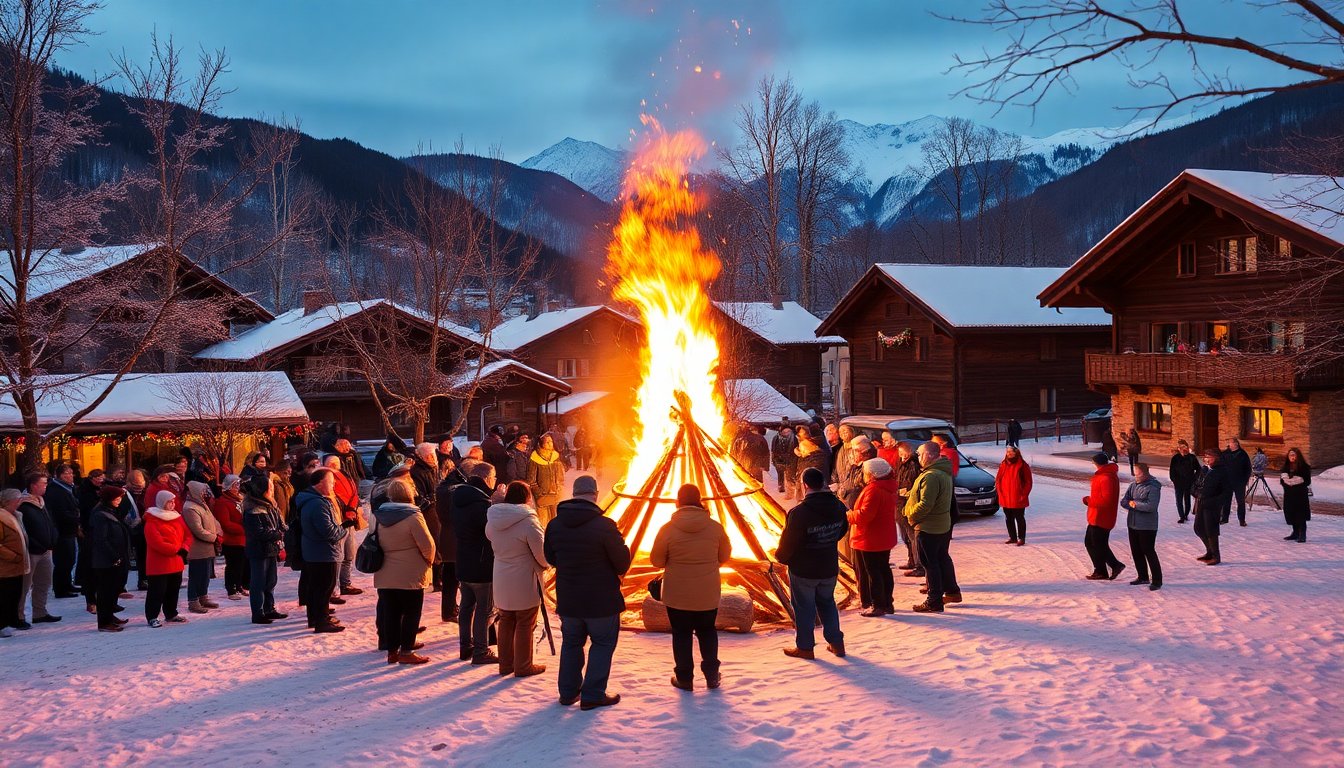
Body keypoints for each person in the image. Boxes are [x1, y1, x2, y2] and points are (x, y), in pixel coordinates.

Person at [545, 475, 630, 710]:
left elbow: (551, 557)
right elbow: (622, 563)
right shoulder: (605, 526)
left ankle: (568, 692)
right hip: (601, 601)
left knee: (572, 643)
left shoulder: (555, 524)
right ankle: (592, 694)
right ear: (594, 495)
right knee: (602, 643)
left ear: (574, 494)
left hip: (569, 599)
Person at [650, 483, 731, 691]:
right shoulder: (715, 527)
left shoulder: (667, 529)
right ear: (699, 501)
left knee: (681, 634)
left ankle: (685, 679)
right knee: (707, 631)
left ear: (678, 502)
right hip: (707, 593)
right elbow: (724, 556)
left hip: (677, 594)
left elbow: (657, 560)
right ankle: (712, 676)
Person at [777, 467, 849, 660]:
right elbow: (843, 529)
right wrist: (827, 541)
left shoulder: (799, 513)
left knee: (804, 607)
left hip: (804, 569)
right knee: (827, 603)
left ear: (805, 485)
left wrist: (782, 557)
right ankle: (836, 643)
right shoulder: (838, 506)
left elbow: (789, 542)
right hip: (828, 566)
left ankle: (805, 647)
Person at [485, 481, 549, 678]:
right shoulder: (528, 520)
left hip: (501, 575)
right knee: (525, 621)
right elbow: (541, 553)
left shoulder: (493, 519)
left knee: (506, 619)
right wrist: (546, 565)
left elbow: (490, 538)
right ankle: (523, 665)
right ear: (527, 497)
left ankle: (506, 664)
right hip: (524, 577)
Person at [374, 480, 436, 664]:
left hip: (384, 570)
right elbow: (427, 545)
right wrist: (429, 562)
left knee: (391, 612)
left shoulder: (377, 515)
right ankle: (406, 650)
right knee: (411, 612)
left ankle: (392, 650)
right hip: (410, 571)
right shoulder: (413, 515)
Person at [451, 462, 498, 665]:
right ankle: (480, 650)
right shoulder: (482, 504)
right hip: (481, 563)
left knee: (466, 606)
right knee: (484, 608)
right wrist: (498, 504)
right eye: (494, 477)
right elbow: (491, 532)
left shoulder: (459, 498)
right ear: (487, 478)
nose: (495, 482)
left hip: (463, 560)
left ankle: (465, 646)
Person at [904, 442, 959, 612]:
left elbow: (926, 504)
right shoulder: (942, 472)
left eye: (920, 454)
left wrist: (911, 516)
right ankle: (952, 591)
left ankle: (934, 601)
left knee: (930, 563)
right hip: (940, 525)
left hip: (929, 526)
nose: (918, 457)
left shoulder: (931, 476)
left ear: (929, 455)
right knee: (941, 558)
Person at [296, 468, 349, 633]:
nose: (333, 485)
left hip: (317, 552)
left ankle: (317, 617)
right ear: (319, 483)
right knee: (324, 588)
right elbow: (329, 532)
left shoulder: (314, 500)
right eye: (330, 482)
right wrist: (344, 530)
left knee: (317, 588)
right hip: (323, 553)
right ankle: (321, 620)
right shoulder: (317, 503)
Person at [847, 458, 898, 617]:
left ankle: (878, 605)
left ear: (872, 474)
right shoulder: (889, 486)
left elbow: (865, 515)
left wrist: (849, 515)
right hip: (883, 535)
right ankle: (887, 602)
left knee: (873, 572)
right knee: (883, 569)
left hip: (869, 538)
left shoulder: (874, 490)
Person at [240, 474, 287, 625]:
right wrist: (277, 534)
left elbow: (279, 524)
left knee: (271, 581)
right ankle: (258, 613)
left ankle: (269, 608)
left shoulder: (270, 504)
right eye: (270, 487)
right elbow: (258, 532)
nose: (272, 490)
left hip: (271, 548)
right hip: (259, 550)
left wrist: (282, 530)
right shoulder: (253, 509)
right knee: (258, 582)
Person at [143, 490, 191, 627]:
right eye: (169, 501)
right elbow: (156, 542)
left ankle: (171, 613)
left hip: (176, 561)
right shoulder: (152, 519)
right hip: (159, 563)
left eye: (173, 501)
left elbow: (188, 535)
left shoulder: (177, 517)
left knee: (173, 589)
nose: (172, 504)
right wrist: (176, 550)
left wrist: (185, 548)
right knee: (157, 591)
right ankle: (152, 616)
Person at [88, 485, 132, 631]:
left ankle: (110, 616)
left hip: (113, 558)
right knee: (105, 592)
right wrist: (115, 556)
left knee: (112, 590)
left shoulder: (109, 511)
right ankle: (104, 622)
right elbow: (101, 540)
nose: (119, 501)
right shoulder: (100, 515)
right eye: (117, 498)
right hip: (106, 561)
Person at [18, 473, 60, 625]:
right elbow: (22, 529)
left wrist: (53, 537)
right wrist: (35, 543)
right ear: (33, 485)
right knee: (25, 585)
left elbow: (50, 522)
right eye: (43, 483)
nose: (46, 486)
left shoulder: (42, 502)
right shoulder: (23, 504)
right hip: (31, 551)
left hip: (46, 550)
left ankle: (39, 612)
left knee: (44, 582)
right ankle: (19, 616)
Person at [324, 455, 364, 597]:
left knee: (349, 553)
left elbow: (354, 494)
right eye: (331, 463)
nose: (334, 465)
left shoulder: (345, 475)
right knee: (338, 556)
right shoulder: (325, 479)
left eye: (336, 463)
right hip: (338, 522)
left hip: (349, 520)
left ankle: (345, 583)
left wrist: (353, 509)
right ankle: (333, 589)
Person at [1082, 453, 1125, 581]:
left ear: (1097, 463)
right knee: (1091, 543)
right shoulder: (1104, 475)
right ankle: (1102, 570)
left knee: (1097, 544)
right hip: (1097, 516)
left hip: (1101, 517)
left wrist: (1089, 501)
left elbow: (1106, 500)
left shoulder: (1106, 477)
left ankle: (1113, 566)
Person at [181, 481, 222, 614]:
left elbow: (213, 521)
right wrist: (214, 537)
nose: (205, 494)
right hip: (197, 548)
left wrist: (219, 533)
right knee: (196, 575)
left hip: (208, 547)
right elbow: (197, 529)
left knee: (205, 575)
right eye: (203, 491)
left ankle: (203, 597)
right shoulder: (190, 508)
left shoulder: (202, 505)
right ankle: (193, 601)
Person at [1122, 463, 1163, 590]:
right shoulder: (1133, 485)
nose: (1136, 475)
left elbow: (1151, 506)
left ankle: (1157, 580)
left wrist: (1135, 505)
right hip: (1133, 524)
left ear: (1145, 473)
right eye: (1135, 472)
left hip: (1147, 526)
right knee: (1136, 551)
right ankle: (1142, 576)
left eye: (1138, 473)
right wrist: (1130, 504)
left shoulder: (1153, 487)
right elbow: (1124, 501)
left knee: (1148, 551)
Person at [45, 463, 80, 598]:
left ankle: (67, 584)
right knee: (63, 560)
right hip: (62, 530)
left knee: (70, 558)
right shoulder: (56, 490)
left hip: (69, 529)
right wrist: (75, 517)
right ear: (59, 475)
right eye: (67, 474)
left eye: (71, 473)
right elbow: (60, 512)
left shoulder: (69, 488)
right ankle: (61, 588)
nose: (70, 476)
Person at [0, 489, 32, 637]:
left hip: (18, 565)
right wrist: (12, 556)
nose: (20, 502)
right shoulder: (2, 517)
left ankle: (11, 619)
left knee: (15, 594)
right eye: (18, 500)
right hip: (6, 566)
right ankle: (2, 624)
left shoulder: (17, 515)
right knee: (5, 595)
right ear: (9, 501)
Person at [213, 475, 247, 600]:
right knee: (232, 565)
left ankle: (239, 586)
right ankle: (231, 589)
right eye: (234, 485)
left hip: (242, 539)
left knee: (241, 565)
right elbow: (225, 523)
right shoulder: (222, 502)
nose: (237, 488)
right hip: (232, 540)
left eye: (238, 484)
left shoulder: (239, 499)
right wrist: (244, 529)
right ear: (228, 487)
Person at [1194, 449, 1231, 565]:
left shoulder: (1222, 471)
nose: (1206, 459)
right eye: (1205, 456)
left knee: (1211, 530)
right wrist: (1195, 492)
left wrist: (1216, 502)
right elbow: (1195, 484)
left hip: (1213, 505)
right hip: (1201, 503)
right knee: (1198, 528)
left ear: (1216, 458)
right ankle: (1209, 551)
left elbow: (1227, 492)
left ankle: (1216, 555)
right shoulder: (1204, 470)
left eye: (1209, 457)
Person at [434, 469, 462, 622]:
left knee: (449, 576)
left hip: (446, 537)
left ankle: (449, 608)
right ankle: (450, 610)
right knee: (453, 577)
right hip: (455, 538)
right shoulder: (454, 492)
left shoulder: (442, 490)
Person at [892, 442, 922, 575]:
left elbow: (912, 484)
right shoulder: (900, 463)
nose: (901, 456)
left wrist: (903, 491)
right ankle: (912, 560)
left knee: (912, 535)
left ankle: (919, 565)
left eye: (903, 453)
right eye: (900, 453)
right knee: (905, 536)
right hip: (899, 503)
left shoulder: (913, 464)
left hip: (907, 503)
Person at [996, 446, 1033, 546]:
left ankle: (1021, 538)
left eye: (1011, 452)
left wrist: (1023, 495)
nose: (1009, 454)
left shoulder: (1022, 465)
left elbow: (1028, 482)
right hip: (1005, 498)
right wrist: (1000, 493)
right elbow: (998, 479)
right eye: (1007, 452)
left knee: (1019, 518)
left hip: (1018, 498)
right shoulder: (1003, 464)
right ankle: (1012, 537)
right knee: (1009, 518)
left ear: (1016, 453)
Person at [527, 433, 566, 526]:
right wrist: (539, 493)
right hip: (542, 495)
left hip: (555, 494)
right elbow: (531, 480)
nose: (550, 443)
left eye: (551, 441)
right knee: (543, 522)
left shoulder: (555, 457)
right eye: (547, 442)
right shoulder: (535, 458)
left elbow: (560, 475)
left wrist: (559, 487)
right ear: (541, 444)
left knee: (556, 520)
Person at [1280, 448, 1311, 543]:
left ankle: (1302, 534)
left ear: (1298, 456)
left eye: (1294, 455)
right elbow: (1282, 480)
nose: (1292, 457)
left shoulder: (1304, 467)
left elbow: (1307, 481)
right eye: (1290, 455)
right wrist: (1287, 483)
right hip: (1289, 494)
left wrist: (1297, 482)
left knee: (1300, 514)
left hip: (1300, 495)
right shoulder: (1286, 467)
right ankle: (1295, 532)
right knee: (1291, 513)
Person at [1221, 438, 1252, 526]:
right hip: (1227, 481)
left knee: (1241, 502)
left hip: (1239, 482)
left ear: (1236, 444)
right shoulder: (1225, 454)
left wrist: (1244, 480)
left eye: (1231, 443)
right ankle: (1224, 518)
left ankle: (1242, 520)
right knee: (1226, 501)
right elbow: (1220, 466)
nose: (1229, 445)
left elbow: (1248, 469)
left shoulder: (1242, 454)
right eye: (1229, 443)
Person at [1169, 440, 1200, 524]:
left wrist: (1194, 478)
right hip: (1178, 483)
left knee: (1187, 499)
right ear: (1179, 449)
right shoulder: (1175, 458)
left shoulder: (1192, 458)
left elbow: (1198, 469)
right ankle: (1181, 516)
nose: (1184, 449)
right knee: (1179, 500)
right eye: (1182, 448)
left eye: (1185, 447)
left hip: (1189, 482)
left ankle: (1186, 514)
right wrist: (1174, 480)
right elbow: (1172, 471)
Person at [771, 425, 799, 500]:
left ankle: (791, 494)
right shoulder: (776, 438)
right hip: (779, 459)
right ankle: (781, 486)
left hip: (792, 460)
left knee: (790, 476)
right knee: (780, 474)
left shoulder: (795, 439)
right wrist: (774, 459)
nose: (787, 433)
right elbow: (773, 450)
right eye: (785, 431)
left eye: (788, 431)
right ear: (781, 432)